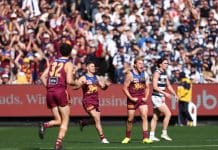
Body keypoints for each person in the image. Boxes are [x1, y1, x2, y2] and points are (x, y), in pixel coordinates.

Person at [39, 43, 75, 150]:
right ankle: (58, 143)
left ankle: (45, 125)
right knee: (65, 120)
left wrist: (50, 87)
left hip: (50, 92)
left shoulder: (53, 62)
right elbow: (69, 81)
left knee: (58, 120)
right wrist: (77, 83)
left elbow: (42, 77)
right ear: (70, 52)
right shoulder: (68, 64)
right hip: (60, 91)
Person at [73, 61, 111, 144]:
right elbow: (75, 87)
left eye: (94, 66)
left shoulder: (96, 77)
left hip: (95, 100)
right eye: (92, 66)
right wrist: (82, 84)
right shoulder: (83, 78)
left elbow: (103, 88)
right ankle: (103, 138)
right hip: (87, 100)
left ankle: (83, 122)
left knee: (95, 120)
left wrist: (106, 85)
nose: (93, 67)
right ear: (87, 68)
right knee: (97, 119)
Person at [121, 57, 153, 144]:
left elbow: (147, 87)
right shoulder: (130, 75)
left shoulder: (145, 74)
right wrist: (131, 98)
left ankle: (145, 138)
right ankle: (127, 137)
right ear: (135, 65)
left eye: (142, 64)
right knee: (130, 119)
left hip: (141, 98)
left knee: (144, 116)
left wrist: (146, 97)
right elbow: (124, 88)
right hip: (132, 99)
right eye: (139, 63)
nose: (141, 65)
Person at [149, 57, 178, 142]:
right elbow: (154, 86)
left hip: (160, 97)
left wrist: (174, 94)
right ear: (160, 64)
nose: (167, 65)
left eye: (167, 63)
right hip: (156, 97)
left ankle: (151, 135)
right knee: (168, 114)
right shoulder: (157, 73)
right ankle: (164, 133)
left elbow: (168, 85)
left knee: (155, 117)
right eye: (165, 63)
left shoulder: (164, 72)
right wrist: (166, 93)